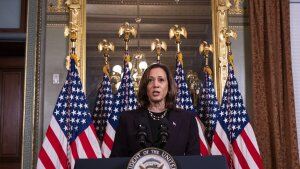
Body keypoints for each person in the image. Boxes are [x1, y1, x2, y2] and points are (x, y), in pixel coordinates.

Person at [110, 63, 200, 157]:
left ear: (168, 86)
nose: (155, 85)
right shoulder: (127, 119)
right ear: (145, 87)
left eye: (161, 80)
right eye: (150, 80)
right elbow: (117, 160)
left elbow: (193, 162)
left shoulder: (187, 119)